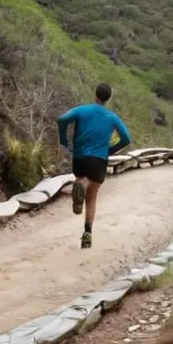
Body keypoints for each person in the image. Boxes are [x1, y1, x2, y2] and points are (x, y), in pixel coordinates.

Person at [57, 82, 132, 249]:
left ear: (95, 94)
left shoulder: (82, 110)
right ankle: (87, 233)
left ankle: (80, 184)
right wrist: (110, 150)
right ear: (108, 98)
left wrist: (63, 138)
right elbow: (126, 138)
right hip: (99, 160)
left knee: (81, 176)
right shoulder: (112, 117)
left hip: (80, 157)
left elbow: (62, 120)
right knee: (92, 199)